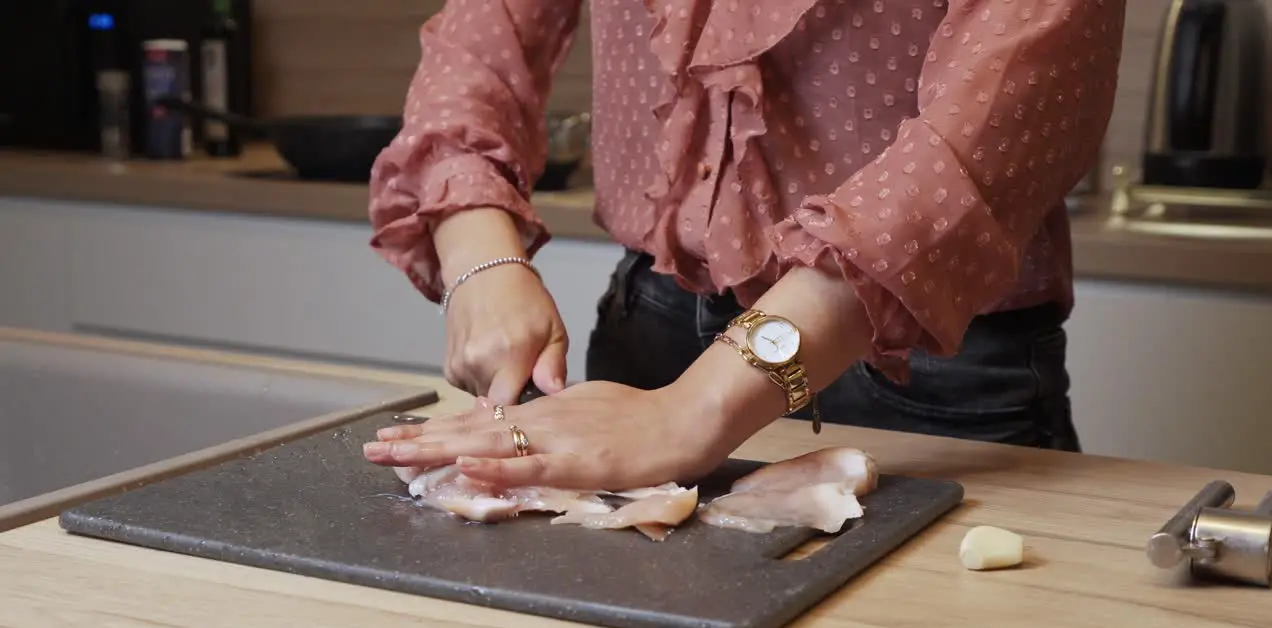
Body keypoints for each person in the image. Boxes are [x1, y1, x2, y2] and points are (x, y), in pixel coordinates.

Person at [361, 0, 1124, 491]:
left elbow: (1011, 104)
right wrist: (478, 259)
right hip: (651, 335)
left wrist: (694, 412)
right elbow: (479, 46)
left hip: (924, 372)